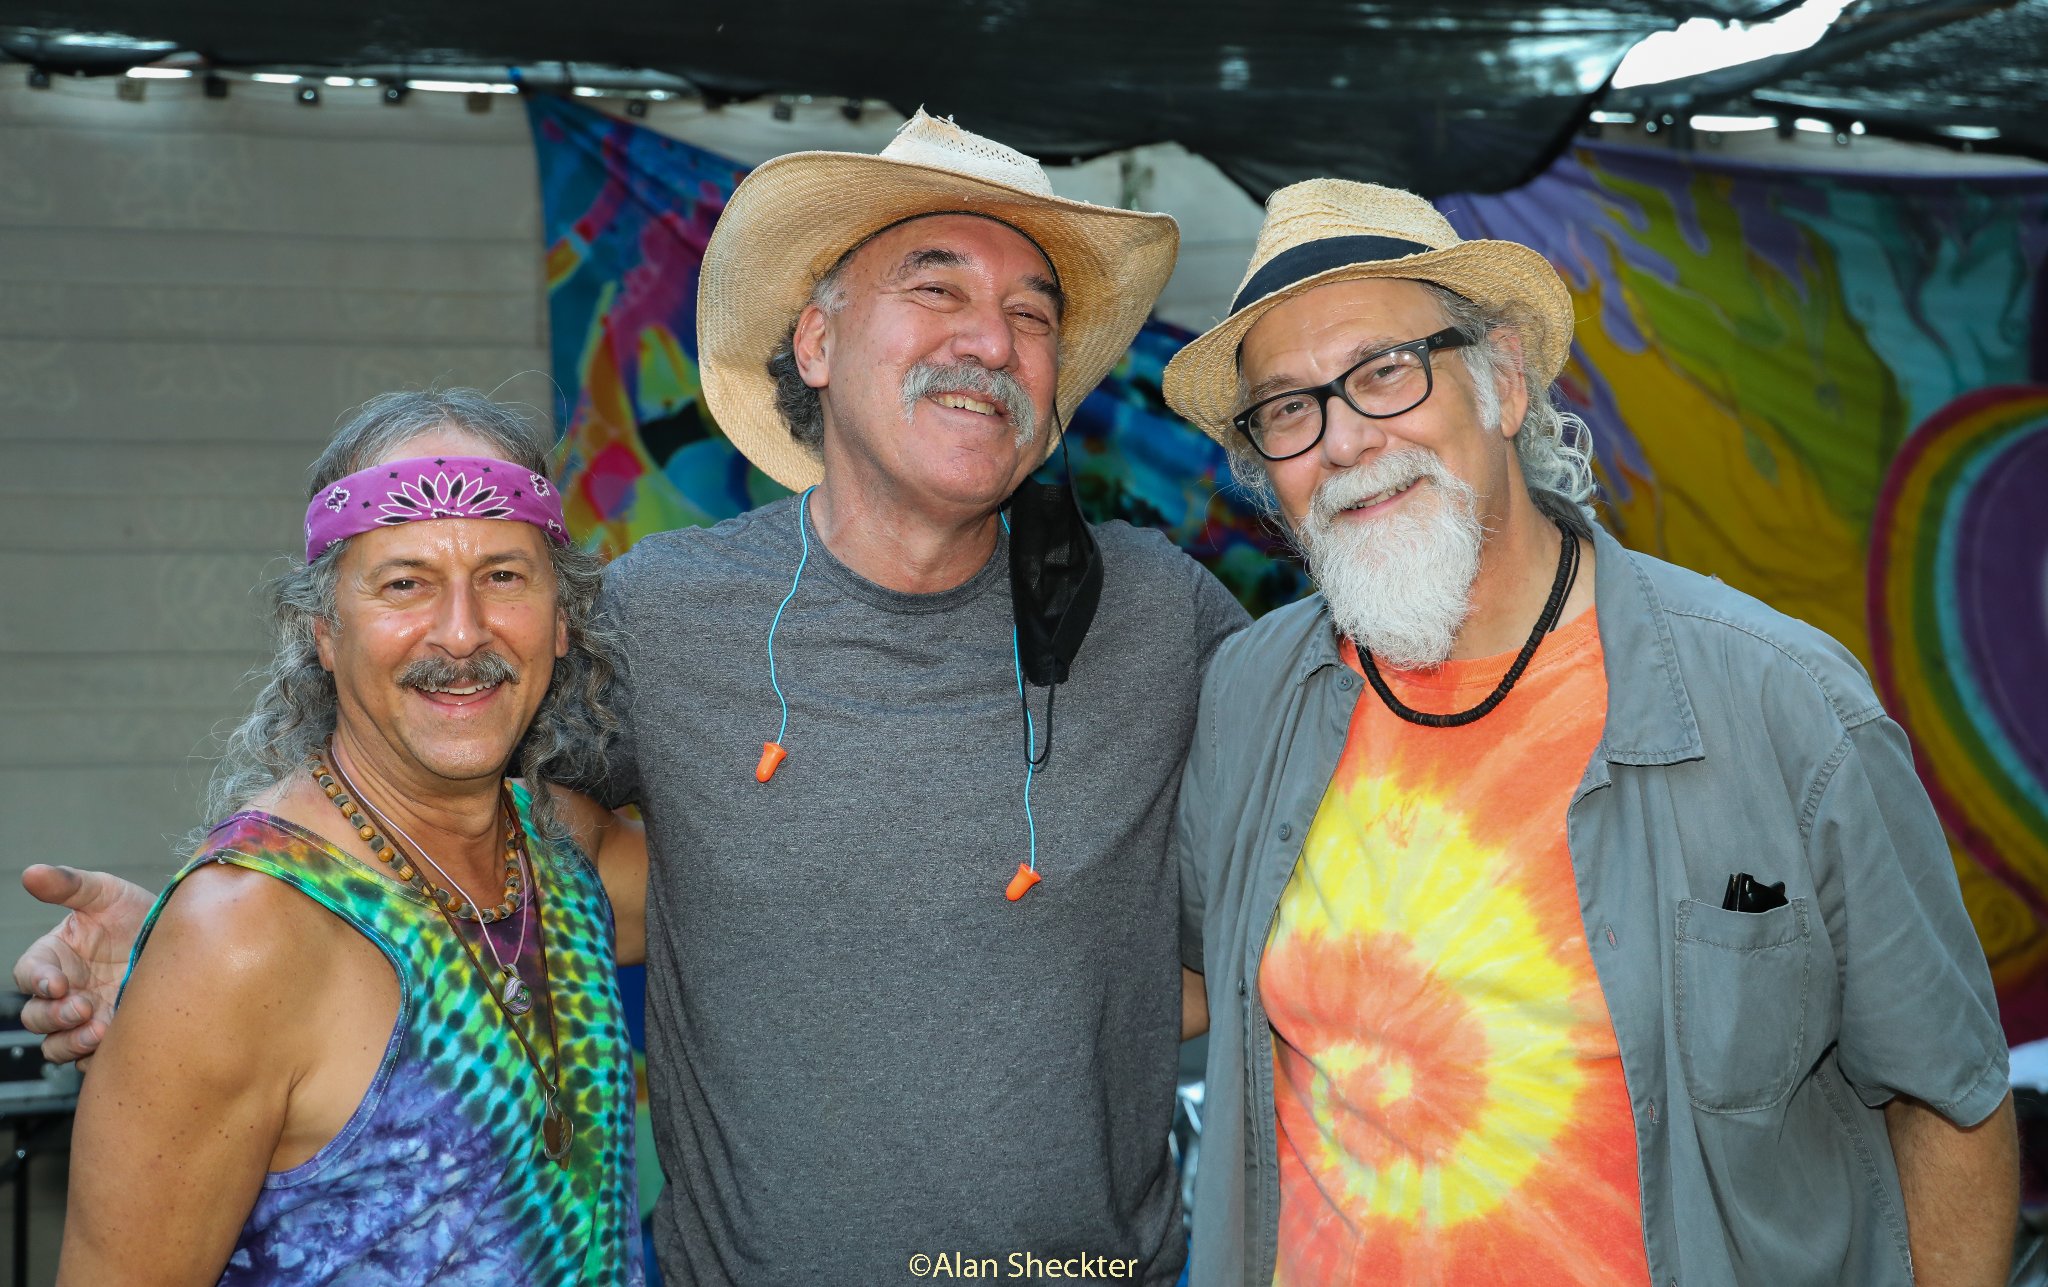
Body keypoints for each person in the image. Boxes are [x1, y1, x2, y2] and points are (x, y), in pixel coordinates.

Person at [21, 114, 1249, 1285]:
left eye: (1031, 314)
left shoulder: (1164, 619)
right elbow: (443, 794)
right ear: (813, 345)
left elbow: (1317, 891)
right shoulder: (662, 615)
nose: (989, 339)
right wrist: (207, 957)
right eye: (936, 289)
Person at [1162, 178, 2019, 1286]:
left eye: (1385, 372)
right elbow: (1180, 978)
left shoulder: (1781, 704)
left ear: (1502, 383)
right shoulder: (1247, 696)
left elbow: (1948, 1104)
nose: (1343, 439)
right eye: (1288, 408)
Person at [37, 390, 650, 1284]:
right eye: (405, 582)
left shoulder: (567, 854)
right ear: (324, 631)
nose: (462, 631)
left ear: (562, 620)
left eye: (504, 576)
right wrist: (189, 960)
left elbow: (788, 902)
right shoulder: (242, 938)